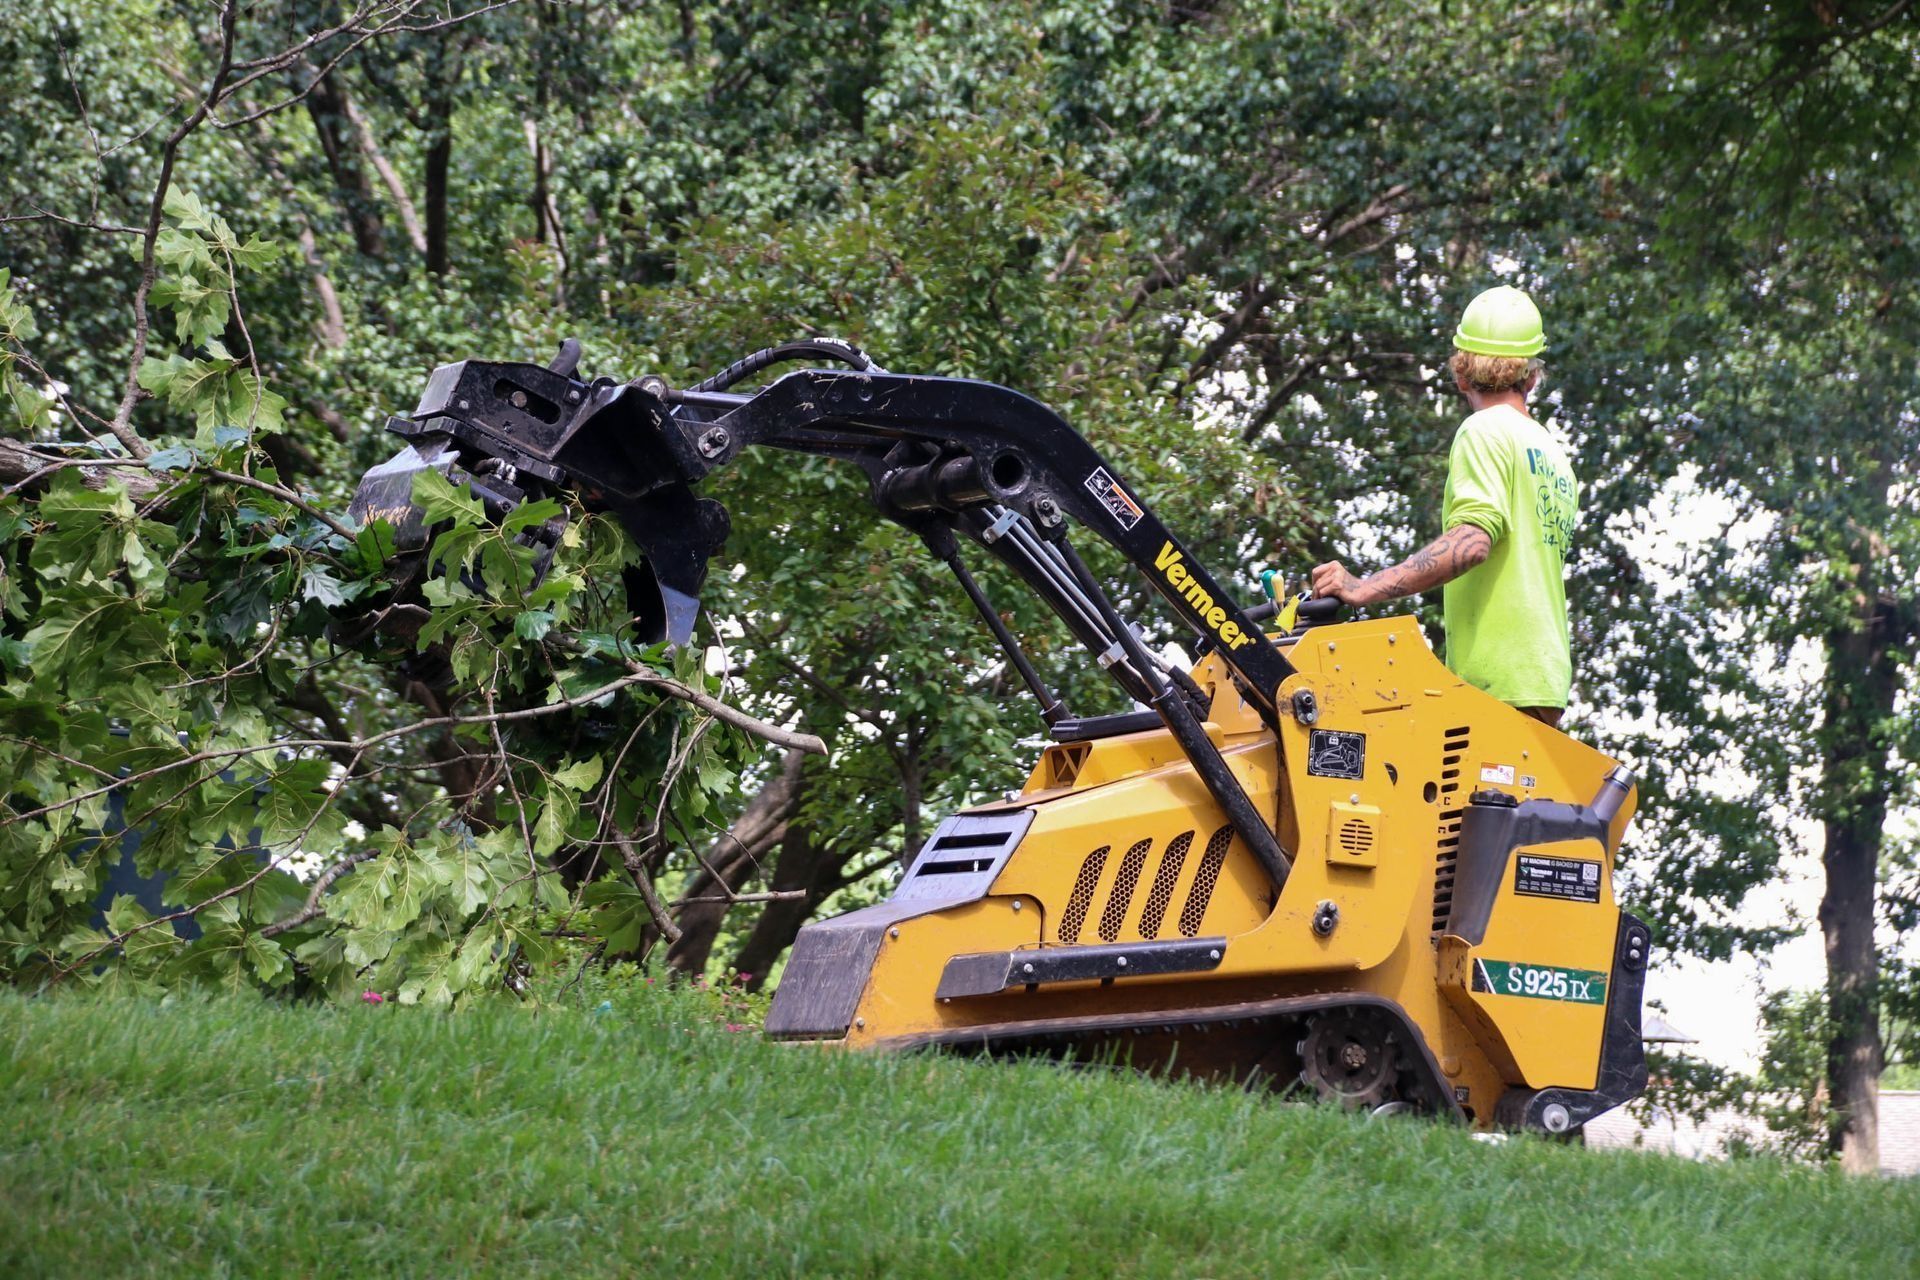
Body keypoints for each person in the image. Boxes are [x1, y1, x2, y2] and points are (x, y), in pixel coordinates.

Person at [1308, 285, 1580, 728]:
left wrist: (1365, 588)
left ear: (1461, 374)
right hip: (1542, 677)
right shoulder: (1552, 454)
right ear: (1532, 377)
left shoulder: (1483, 431)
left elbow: (1472, 542)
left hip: (1497, 680)